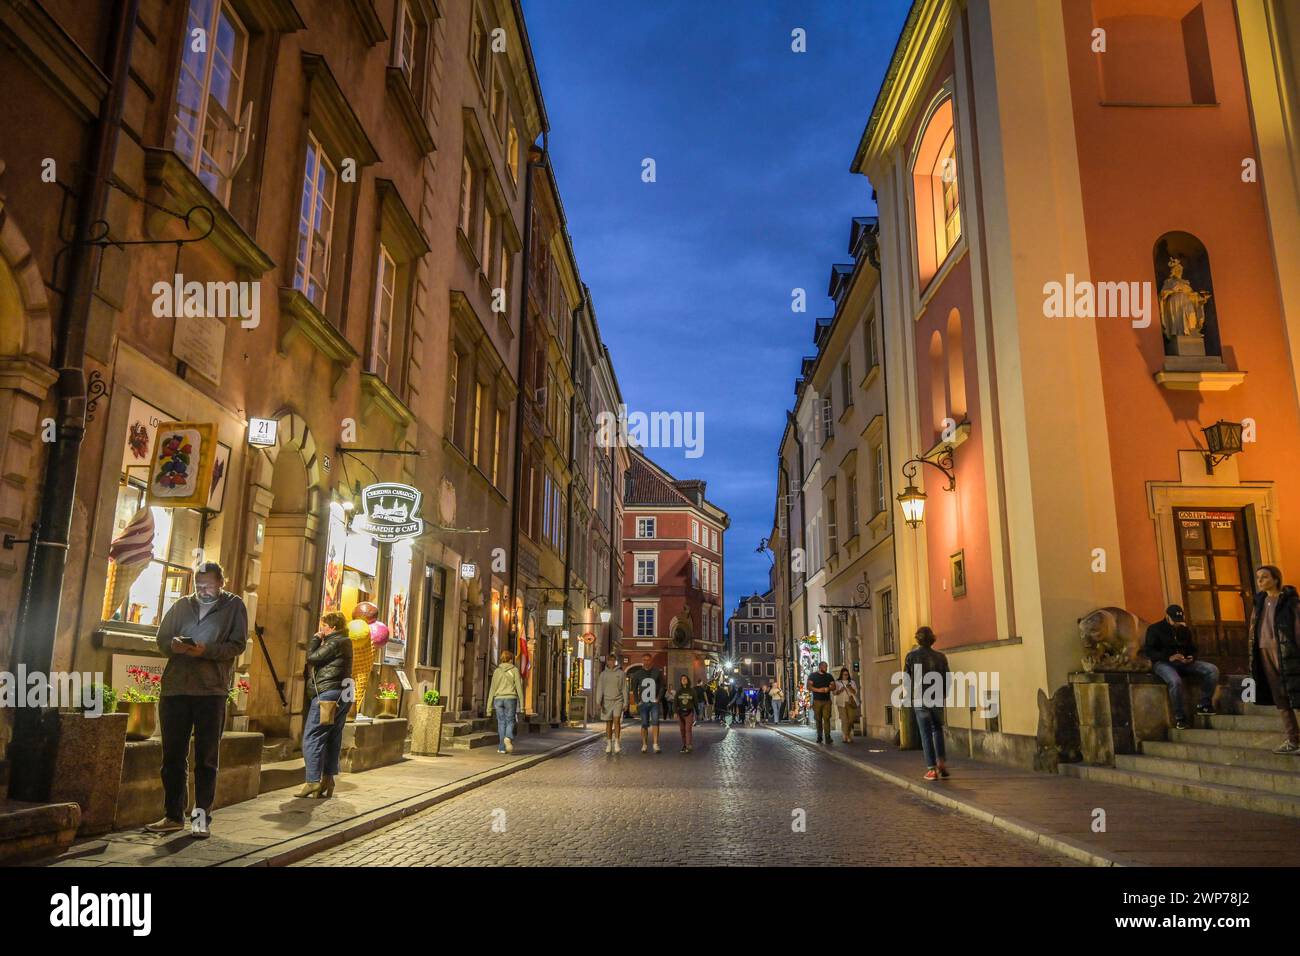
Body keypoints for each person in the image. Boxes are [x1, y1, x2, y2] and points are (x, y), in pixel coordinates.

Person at [145, 562, 248, 839]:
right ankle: (172, 815)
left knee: (206, 758)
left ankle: (201, 818)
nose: (202, 590)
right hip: (175, 689)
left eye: (208, 586)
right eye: (198, 585)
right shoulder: (181, 605)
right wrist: (174, 646)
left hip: (211, 690)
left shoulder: (234, 606)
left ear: (221, 583)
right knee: (172, 757)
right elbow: (161, 639)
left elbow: (237, 645)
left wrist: (205, 650)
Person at [298, 610, 353, 798]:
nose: (321, 629)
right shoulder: (345, 641)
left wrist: (315, 639)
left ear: (332, 627)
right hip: (342, 693)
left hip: (328, 694)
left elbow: (312, 658)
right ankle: (328, 780)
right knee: (331, 738)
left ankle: (313, 781)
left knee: (312, 735)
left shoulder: (335, 641)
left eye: (324, 626)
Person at [1143, 604, 1219, 730]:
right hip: (1162, 663)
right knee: (1175, 681)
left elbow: (1193, 649)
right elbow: (1149, 651)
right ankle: (1180, 717)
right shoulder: (1154, 629)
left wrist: (1191, 657)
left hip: (1183, 663)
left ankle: (1204, 705)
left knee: (1212, 670)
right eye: (1174, 620)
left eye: (1179, 620)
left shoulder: (1184, 630)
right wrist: (1169, 657)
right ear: (1167, 616)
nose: (1177, 624)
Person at [1250, 566, 1300, 754]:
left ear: (1276, 579)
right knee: (1280, 697)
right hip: (1264, 652)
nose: (1260, 581)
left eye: (1264, 577)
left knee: (1296, 693)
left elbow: (1297, 629)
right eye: (1258, 578)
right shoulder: (1259, 603)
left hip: (1287, 653)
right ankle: (1293, 739)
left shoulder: (1290, 602)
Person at [905, 627, 949, 780]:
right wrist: (944, 694)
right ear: (932, 639)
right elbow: (947, 678)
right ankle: (941, 761)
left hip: (920, 697)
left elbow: (907, 678)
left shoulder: (911, 656)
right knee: (937, 729)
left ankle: (931, 769)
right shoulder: (941, 657)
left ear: (918, 639)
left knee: (925, 733)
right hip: (936, 697)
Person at [485, 649, 525, 754]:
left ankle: (502, 748)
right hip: (510, 699)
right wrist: (522, 706)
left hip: (498, 699)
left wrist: (488, 708)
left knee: (501, 723)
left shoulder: (496, 671)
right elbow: (519, 688)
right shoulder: (515, 670)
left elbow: (492, 690)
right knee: (510, 720)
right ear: (510, 659)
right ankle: (508, 737)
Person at [633, 654, 665, 752]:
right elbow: (634, 688)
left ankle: (655, 744)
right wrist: (637, 701)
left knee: (655, 722)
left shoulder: (657, 672)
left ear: (651, 661)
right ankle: (644, 744)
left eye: (648, 660)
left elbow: (662, 686)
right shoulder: (638, 673)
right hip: (643, 702)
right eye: (645, 660)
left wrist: (658, 698)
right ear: (642, 661)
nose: (647, 662)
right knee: (644, 724)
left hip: (654, 702)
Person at [595, 653, 627, 754]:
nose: (611, 662)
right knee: (608, 723)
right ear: (607, 662)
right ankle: (609, 744)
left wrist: (626, 702)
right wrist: (598, 701)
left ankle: (617, 742)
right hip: (607, 701)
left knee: (616, 721)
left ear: (615, 661)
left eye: (613, 660)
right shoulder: (603, 674)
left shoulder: (621, 673)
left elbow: (624, 688)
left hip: (618, 700)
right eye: (609, 660)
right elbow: (600, 688)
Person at [806, 661, 835, 744]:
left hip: (827, 700)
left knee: (827, 718)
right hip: (817, 700)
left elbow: (834, 686)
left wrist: (829, 688)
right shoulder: (813, 676)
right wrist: (819, 690)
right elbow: (809, 687)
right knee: (818, 719)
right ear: (820, 667)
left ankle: (827, 736)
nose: (826, 668)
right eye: (825, 667)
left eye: (827, 667)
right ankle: (819, 736)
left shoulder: (829, 676)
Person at [833, 667, 860, 743]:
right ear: (841, 674)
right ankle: (845, 736)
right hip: (841, 703)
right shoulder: (837, 682)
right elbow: (834, 693)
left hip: (850, 702)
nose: (846, 676)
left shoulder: (852, 682)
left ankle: (847, 734)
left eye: (847, 674)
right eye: (844, 674)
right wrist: (840, 690)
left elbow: (855, 692)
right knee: (844, 720)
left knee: (851, 719)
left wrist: (850, 687)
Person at [674, 675, 699, 753]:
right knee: (682, 730)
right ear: (680, 681)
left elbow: (695, 702)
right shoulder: (679, 691)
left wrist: (697, 712)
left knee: (688, 729)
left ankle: (689, 745)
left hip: (689, 712)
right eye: (682, 679)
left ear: (688, 680)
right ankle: (684, 745)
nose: (683, 680)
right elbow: (675, 702)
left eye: (685, 679)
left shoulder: (692, 691)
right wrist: (675, 712)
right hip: (680, 713)